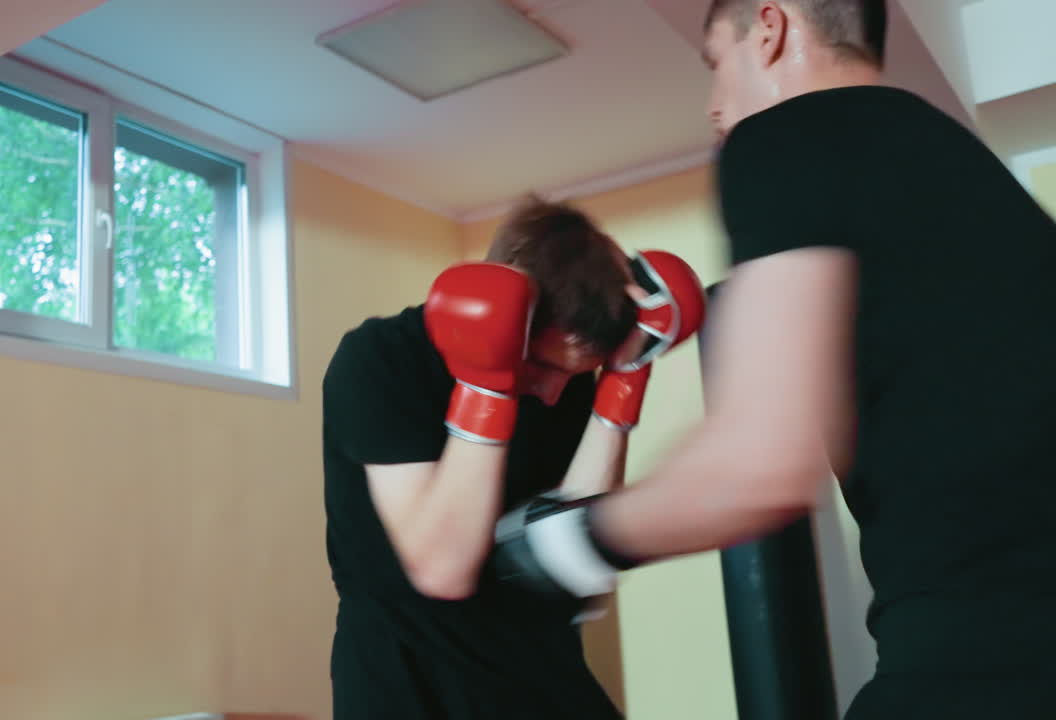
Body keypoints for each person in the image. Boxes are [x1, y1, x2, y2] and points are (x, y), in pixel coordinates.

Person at [491, 0, 1056, 717]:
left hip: (989, 658)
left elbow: (761, 465)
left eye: (715, 64)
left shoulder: (785, 137)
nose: (713, 106)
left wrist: (559, 542)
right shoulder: (950, 157)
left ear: (770, 27)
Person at [320, 195, 705, 719]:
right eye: (543, 368)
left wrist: (625, 379)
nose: (552, 394)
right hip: (410, 677)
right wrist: (490, 388)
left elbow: (579, 568)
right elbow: (442, 570)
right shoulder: (382, 359)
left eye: (573, 374)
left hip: (536, 663)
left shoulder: (565, 380)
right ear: (514, 315)